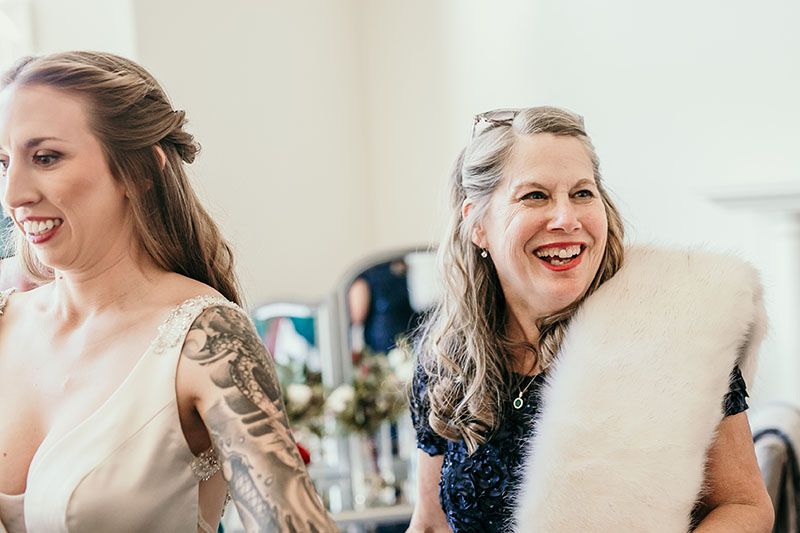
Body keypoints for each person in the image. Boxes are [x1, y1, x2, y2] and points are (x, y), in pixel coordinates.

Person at [0, 51, 338, 533]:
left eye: (46, 158)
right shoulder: (4, 319)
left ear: (138, 171)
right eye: (4, 162)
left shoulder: (208, 339)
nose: (13, 194)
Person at [407, 106, 774, 532]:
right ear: (478, 224)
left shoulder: (676, 333)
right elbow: (430, 523)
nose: (567, 219)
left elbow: (746, 505)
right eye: (534, 195)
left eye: (582, 193)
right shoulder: (447, 360)